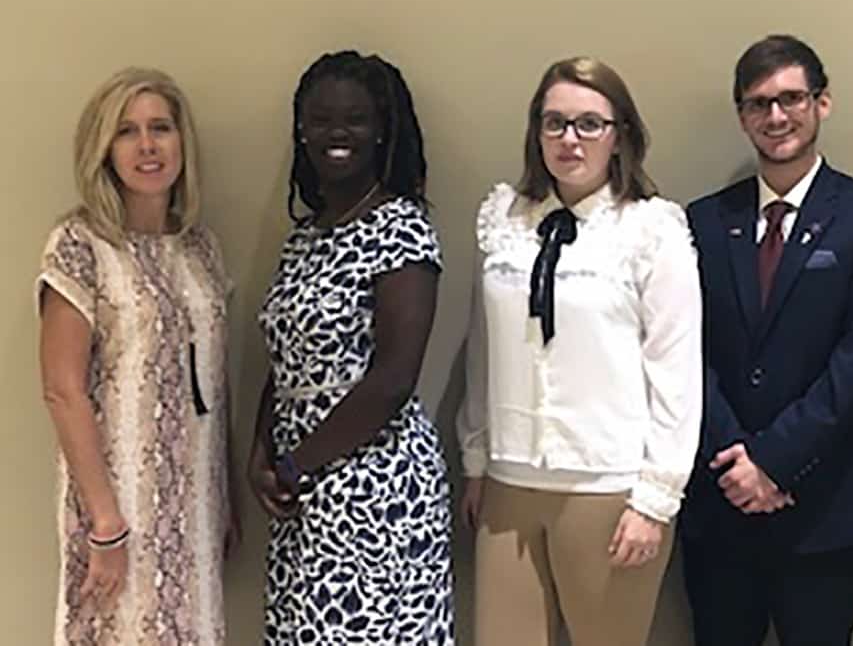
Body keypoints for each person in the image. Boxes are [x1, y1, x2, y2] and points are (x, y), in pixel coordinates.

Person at [457, 56, 702, 646]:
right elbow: (484, 353)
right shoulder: (506, 219)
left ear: (619, 137)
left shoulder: (651, 230)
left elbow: (676, 370)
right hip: (511, 481)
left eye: (590, 124)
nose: (570, 139)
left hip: (608, 489)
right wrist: (477, 459)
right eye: (555, 122)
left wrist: (655, 498)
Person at [681, 34, 853, 645]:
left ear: (822, 103)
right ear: (741, 116)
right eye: (759, 103)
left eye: (791, 98)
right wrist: (737, 460)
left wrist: (775, 463)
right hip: (721, 506)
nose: (776, 116)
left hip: (825, 511)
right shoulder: (701, 221)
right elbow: (681, 353)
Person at [247, 50, 453, 645]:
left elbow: (393, 378)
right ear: (302, 131)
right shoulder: (303, 238)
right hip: (299, 492)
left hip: (376, 488)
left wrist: (295, 463)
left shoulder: (402, 228)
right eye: (320, 119)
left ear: (383, 129)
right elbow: (283, 362)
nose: (337, 133)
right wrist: (261, 455)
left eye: (356, 119)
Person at [37, 67, 235, 645]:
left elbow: (215, 381)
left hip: (194, 504)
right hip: (116, 506)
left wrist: (223, 498)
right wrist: (105, 524)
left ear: (182, 142)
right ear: (104, 150)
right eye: (126, 132)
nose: (147, 146)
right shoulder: (79, 245)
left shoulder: (200, 248)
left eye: (160, 128)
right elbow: (62, 389)